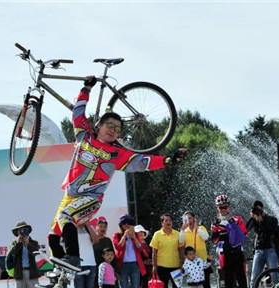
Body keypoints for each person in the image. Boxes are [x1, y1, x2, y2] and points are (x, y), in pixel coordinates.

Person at [47, 75, 186, 266]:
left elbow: (142, 162)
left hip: (91, 198)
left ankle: (72, 257)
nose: (113, 130)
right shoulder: (84, 135)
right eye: (109, 125)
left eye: (118, 129)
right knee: (54, 234)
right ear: (99, 125)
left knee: (65, 217)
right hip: (70, 195)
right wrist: (86, 89)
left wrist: (168, 159)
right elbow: (78, 112)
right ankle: (60, 270)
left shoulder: (117, 153)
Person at [211, 195, 252, 288]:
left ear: (229, 206)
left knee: (242, 280)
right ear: (217, 208)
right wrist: (216, 230)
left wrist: (232, 226)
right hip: (225, 254)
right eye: (221, 207)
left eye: (225, 207)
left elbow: (244, 233)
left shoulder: (237, 219)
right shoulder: (215, 222)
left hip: (238, 252)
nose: (223, 209)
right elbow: (214, 240)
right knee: (228, 282)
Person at [6, 221, 42, 288]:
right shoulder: (14, 244)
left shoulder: (34, 242)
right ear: (17, 232)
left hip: (32, 274)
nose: (22, 232)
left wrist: (27, 243)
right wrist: (18, 243)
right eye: (20, 231)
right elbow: (12, 256)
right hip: (20, 274)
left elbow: (35, 252)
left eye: (24, 230)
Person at [246, 201, 279, 288]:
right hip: (259, 250)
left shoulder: (272, 219)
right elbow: (246, 230)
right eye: (256, 209)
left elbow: (269, 231)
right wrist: (252, 218)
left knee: (274, 275)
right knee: (254, 277)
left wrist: (261, 219)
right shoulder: (255, 220)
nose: (258, 211)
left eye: (259, 209)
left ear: (263, 208)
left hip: (270, 249)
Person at [113, 214, 146, 288]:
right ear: (121, 225)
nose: (126, 226)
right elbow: (118, 247)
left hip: (135, 264)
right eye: (124, 224)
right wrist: (124, 236)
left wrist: (134, 238)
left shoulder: (135, 234)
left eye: (128, 223)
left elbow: (140, 248)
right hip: (123, 266)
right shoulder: (117, 235)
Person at [179, 211, 213, 288]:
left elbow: (206, 237)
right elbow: (181, 240)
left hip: (201, 261)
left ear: (194, 219)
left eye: (190, 218)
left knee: (206, 285)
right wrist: (182, 229)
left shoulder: (201, 228)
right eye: (186, 219)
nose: (188, 221)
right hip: (191, 263)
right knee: (194, 287)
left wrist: (197, 228)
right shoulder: (185, 231)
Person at [150, 214, 184, 288]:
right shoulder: (157, 234)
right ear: (162, 223)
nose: (168, 222)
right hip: (162, 267)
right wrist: (154, 266)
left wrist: (181, 263)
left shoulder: (177, 234)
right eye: (166, 220)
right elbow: (154, 252)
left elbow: (181, 250)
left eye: (170, 220)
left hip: (175, 266)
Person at [74, 222, 100, 288]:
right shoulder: (71, 228)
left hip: (91, 263)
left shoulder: (89, 227)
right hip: (78, 264)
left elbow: (96, 241)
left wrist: (88, 226)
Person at [92, 216, 115, 288]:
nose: (102, 228)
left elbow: (112, 255)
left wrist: (116, 271)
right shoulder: (92, 239)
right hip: (93, 270)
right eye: (100, 226)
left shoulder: (107, 240)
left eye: (104, 227)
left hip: (106, 273)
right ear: (96, 228)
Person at [135, 224, 159, 288]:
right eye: (138, 232)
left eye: (142, 232)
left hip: (150, 268)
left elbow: (154, 253)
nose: (140, 234)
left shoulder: (149, 242)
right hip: (141, 269)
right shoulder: (135, 244)